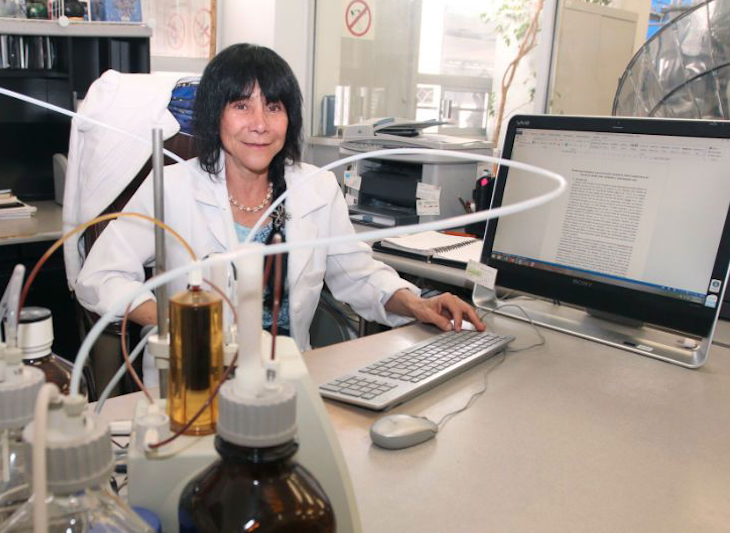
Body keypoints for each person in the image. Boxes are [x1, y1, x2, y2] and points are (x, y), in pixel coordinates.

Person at [75, 43, 484, 350]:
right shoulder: (170, 188)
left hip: (287, 381)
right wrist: (175, 319)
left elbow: (359, 276)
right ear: (215, 115)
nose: (260, 124)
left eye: (273, 107)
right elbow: (100, 277)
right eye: (241, 106)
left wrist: (418, 304)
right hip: (193, 381)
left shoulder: (316, 190)